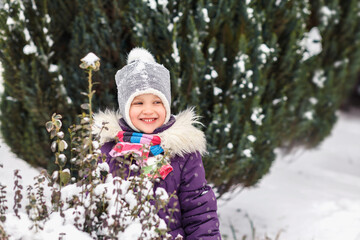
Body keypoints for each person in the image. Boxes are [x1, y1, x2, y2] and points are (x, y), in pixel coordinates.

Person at [93, 47, 221, 239]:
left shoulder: (182, 153)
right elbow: (93, 205)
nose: (148, 111)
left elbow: (199, 212)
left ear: (167, 105)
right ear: (125, 107)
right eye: (138, 103)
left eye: (156, 102)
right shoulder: (109, 150)